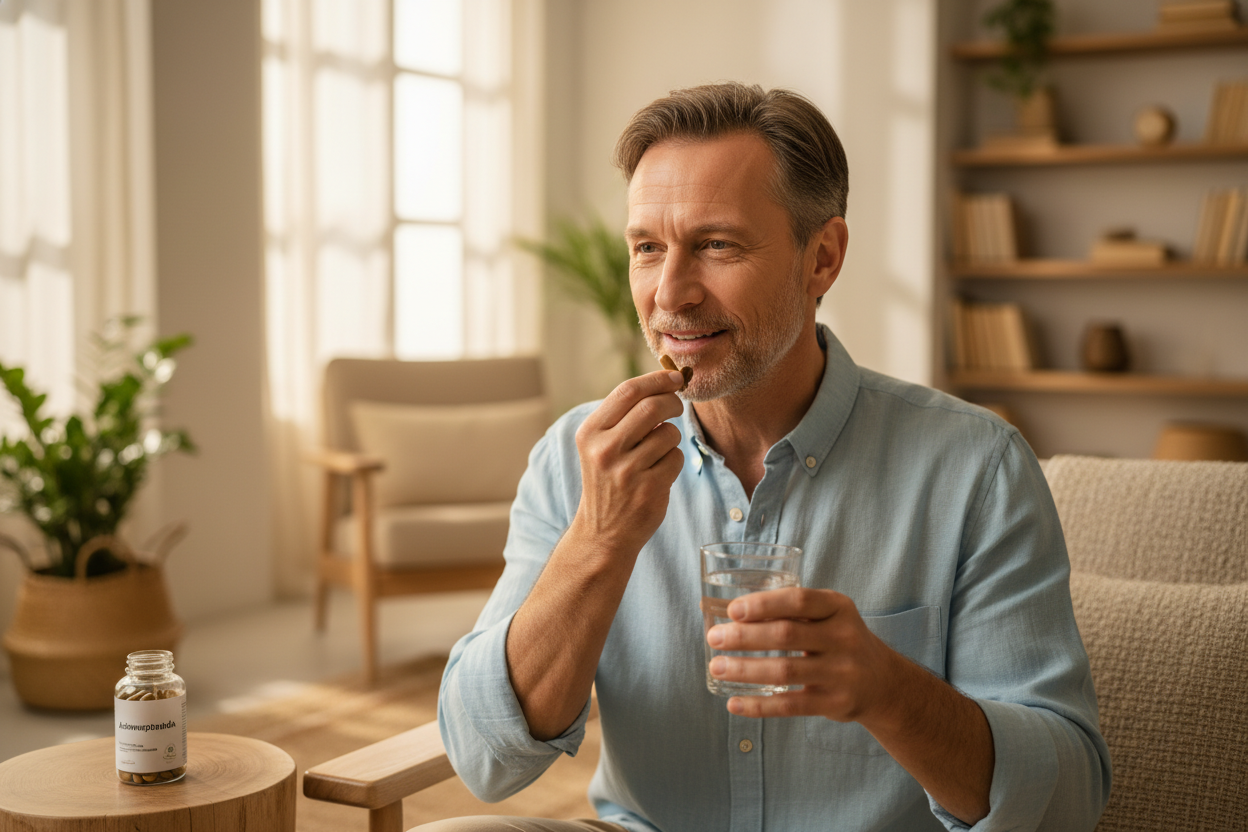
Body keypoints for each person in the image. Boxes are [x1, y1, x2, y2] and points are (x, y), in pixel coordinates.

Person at [424, 83, 1111, 832]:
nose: (670, 294)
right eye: (647, 248)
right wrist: (596, 542)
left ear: (823, 258)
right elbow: (484, 761)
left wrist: (889, 691)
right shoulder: (577, 456)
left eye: (717, 245)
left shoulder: (976, 468)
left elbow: (1068, 804)